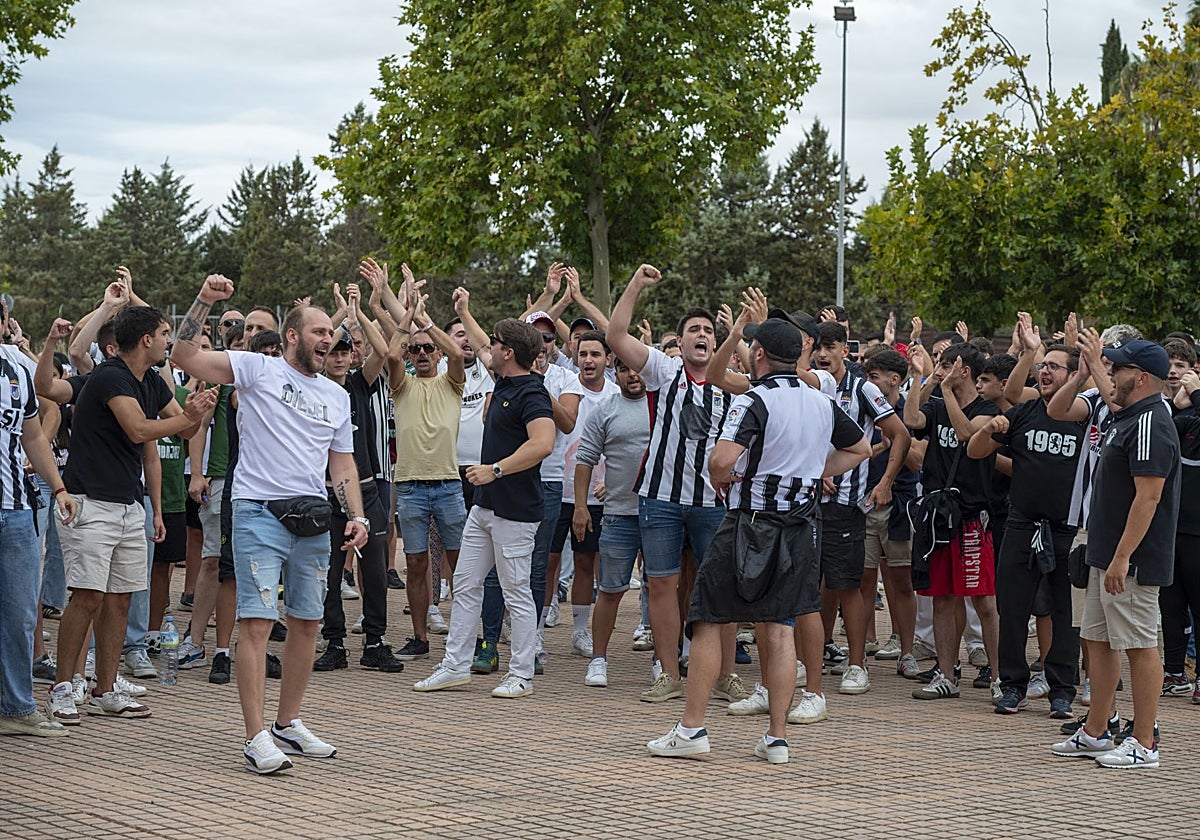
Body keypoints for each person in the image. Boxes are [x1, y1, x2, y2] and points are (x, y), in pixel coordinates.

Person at [647, 316, 870, 763]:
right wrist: (813, 472)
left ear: (760, 354)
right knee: (781, 627)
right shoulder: (821, 401)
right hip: (802, 523)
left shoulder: (753, 400)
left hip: (750, 522)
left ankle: (692, 729)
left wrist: (722, 477)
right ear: (799, 354)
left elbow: (721, 459)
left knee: (709, 618)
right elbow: (862, 448)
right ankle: (777, 738)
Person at [170, 275, 369, 775]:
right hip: (259, 511)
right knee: (256, 624)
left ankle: (288, 722)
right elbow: (183, 358)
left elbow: (341, 465)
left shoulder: (337, 397)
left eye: (333, 333)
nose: (329, 339)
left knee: (307, 622)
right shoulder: (257, 368)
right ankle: (255, 735)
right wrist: (205, 301)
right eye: (319, 331)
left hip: (315, 518)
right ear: (293, 337)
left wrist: (358, 514)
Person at [48, 306, 212, 724]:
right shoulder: (110, 376)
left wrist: (197, 411)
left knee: (120, 600)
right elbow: (138, 430)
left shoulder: (152, 381)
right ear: (145, 340)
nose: (167, 341)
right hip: (90, 502)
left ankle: (106, 687)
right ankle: (63, 687)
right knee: (87, 596)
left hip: (127, 504)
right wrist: (185, 419)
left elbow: (186, 429)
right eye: (164, 333)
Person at [606, 265, 745, 703]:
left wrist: (741, 328)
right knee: (661, 585)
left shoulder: (733, 385)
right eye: (693, 330)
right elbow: (615, 335)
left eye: (708, 330)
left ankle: (725, 675)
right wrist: (634, 285)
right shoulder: (664, 370)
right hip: (660, 498)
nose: (701, 335)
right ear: (680, 341)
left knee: (718, 587)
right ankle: (669, 673)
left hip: (712, 501)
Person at [1051, 339, 1179, 769]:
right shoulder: (1130, 413)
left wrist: (1124, 557)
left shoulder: (1150, 424)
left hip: (1132, 561)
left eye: (1118, 369)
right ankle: (1096, 731)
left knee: (1140, 644)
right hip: (1104, 553)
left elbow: (1149, 498)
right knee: (1098, 639)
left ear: (1140, 378)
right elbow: (1111, 395)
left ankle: (1145, 742)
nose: (1111, 376)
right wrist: (1091, 363)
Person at [412, 318, 555, 698]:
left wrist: (495, 470)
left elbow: (543, 443)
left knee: (516, 591)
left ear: (507, 353)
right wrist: (450, 313)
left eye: (493, 344)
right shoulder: (504, 382)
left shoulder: (532, 393)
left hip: (516, 510)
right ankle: (455, 665)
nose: (485, 347)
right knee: (465, 584)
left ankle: (521, 673)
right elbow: (473, 341)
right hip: (485, 507)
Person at [967, 344, 1084, 717]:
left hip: (1067, 530)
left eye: (1055, 366)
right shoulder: (1025, 412)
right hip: (1021, 524)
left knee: (1065, 614)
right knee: (1013, 608)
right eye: (1042, 365)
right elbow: (975, 452)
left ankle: (1062, 689)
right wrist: (991, 427)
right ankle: (1012, 685)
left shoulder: (1084, 416)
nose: (1046, 371)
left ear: (1073, 374)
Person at [903, 343, 1001, 701]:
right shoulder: (937, 402)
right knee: (942, 598)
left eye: (948, 365)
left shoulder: (987, 409)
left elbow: (965, 433)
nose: (941, 369)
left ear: (966, 371)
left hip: (973, 516)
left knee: (984, 601)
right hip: (938, 517)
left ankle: (999, 678)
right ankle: (946, 675)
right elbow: (912, 421)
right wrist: (919, 378)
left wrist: (945, 391)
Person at [313, 283, 402, 674]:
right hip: (323, 493)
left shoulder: (359, 385)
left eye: (345, 350)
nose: (338, 357)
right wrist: (337, 318)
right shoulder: (311, 388)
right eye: (332, 351)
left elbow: (383, 352)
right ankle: (334, 642)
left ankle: (375, 641)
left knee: (374, 570)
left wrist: (357, 312)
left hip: (366, 489)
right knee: (330, 572)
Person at [0, 339, 78, 736]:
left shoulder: (15, 366)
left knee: (20, 614)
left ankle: (15, 707)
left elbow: (33, 436)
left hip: (16, 508)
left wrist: (59, 488)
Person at [387, 278, 468, 661]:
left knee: (460, 564)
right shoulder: (401, 385)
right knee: (416, 563)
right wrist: (407, 320)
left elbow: (458, 354)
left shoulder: (451, 383)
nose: (421, 353)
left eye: (426, 348)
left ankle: (464, 637)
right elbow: (390, 357)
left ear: (436, 353)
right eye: (414, 349)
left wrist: (425, 319)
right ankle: (419, 637)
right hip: (411, 486)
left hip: (449, 484)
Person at [574, 355, 650, 688]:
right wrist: (581, 506)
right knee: (609, 590)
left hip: (661, 514)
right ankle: (599, 660)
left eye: (637, 368)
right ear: (614, 372)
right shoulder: (605, 410)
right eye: (623, 368)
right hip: (618, 514)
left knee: (664, 591)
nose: (632, 374)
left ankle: (664, 662)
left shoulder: (666, 405)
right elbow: (585, 460)